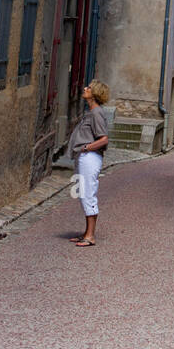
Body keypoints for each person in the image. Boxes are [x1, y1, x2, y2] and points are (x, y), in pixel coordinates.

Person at [67, 81, 110, 246]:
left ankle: (90, 236)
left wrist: (86, 147)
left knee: (88, 193)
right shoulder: (90, 112)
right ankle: (86, 232)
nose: (85, 88)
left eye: (89, 88)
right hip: (84, 157)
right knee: (81, 193)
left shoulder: (96, 113)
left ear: (95, 93)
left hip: (90, 157)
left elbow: (104, 139)